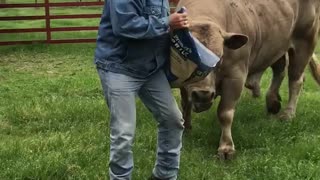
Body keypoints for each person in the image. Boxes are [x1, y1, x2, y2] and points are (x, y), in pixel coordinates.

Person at [94, 0, 189, 179]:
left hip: (151, 69)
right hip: (119, 66)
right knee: (123, 133)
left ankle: (164, 175)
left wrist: (179, 29)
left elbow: (161, 30)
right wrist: (167, 22)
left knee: (173, 120)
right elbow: (125, 26)